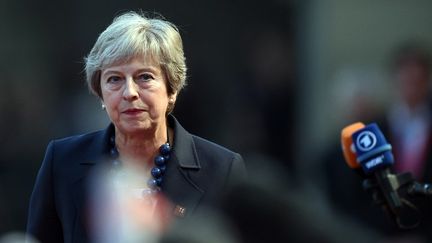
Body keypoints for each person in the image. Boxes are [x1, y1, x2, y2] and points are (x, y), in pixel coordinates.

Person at [26, 11, 246, 243]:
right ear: (100, 93)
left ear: (172, 90)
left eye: (144, 77)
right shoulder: (62, 161)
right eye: (114, 79)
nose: (129, 92)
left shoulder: (222, 169)